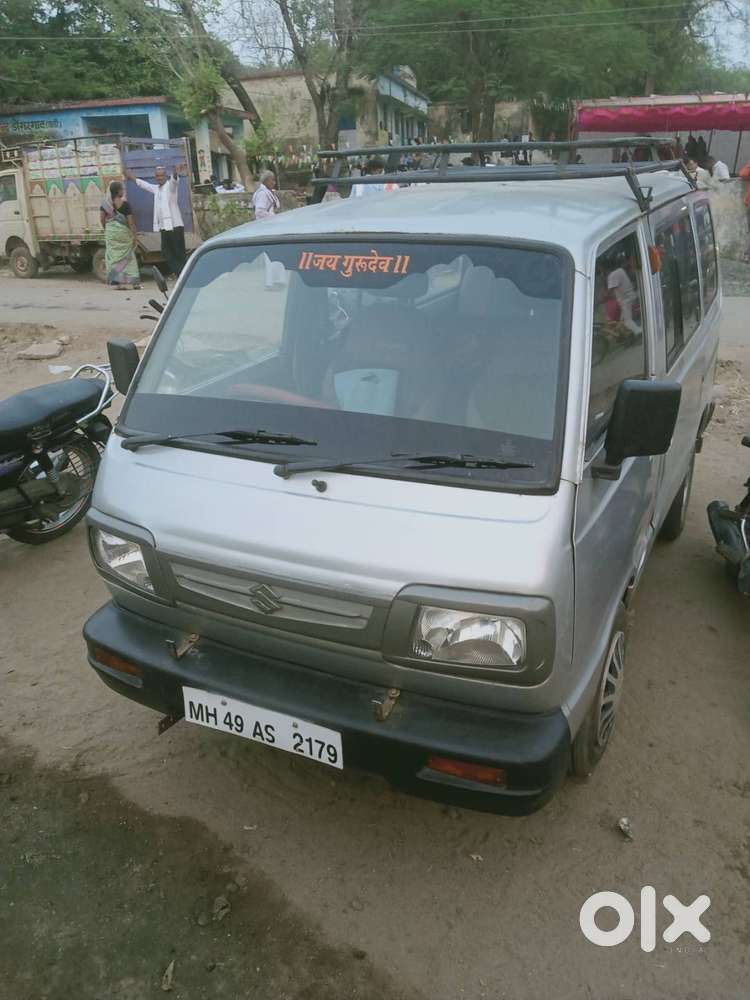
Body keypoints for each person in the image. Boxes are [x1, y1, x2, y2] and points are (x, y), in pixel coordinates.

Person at [124, 162, 187, 276]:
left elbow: (174, 181)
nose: (159, 178)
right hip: (164, 228)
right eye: (157, 176)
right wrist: (131, 177)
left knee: (179, 253)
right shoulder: (156, 189)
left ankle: (184, 274)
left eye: (162, 175)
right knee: (167, 254)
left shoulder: (170, 187)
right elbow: (144, 185)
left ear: (166, 176)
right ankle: (180, 273)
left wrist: (175, 173)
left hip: (175, 226)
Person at [99, 180, 140, 290]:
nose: (123, 191)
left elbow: (102, 220)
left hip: (111, 234)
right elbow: (131, 223)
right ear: (118, 192)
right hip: (124, 235)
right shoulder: (125, 204)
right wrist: (135, 238)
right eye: (122, 189)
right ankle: (134, 283)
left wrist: (109, 230)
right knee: (128, 257)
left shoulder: (104, 205)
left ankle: (115, 283)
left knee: (113, 258)